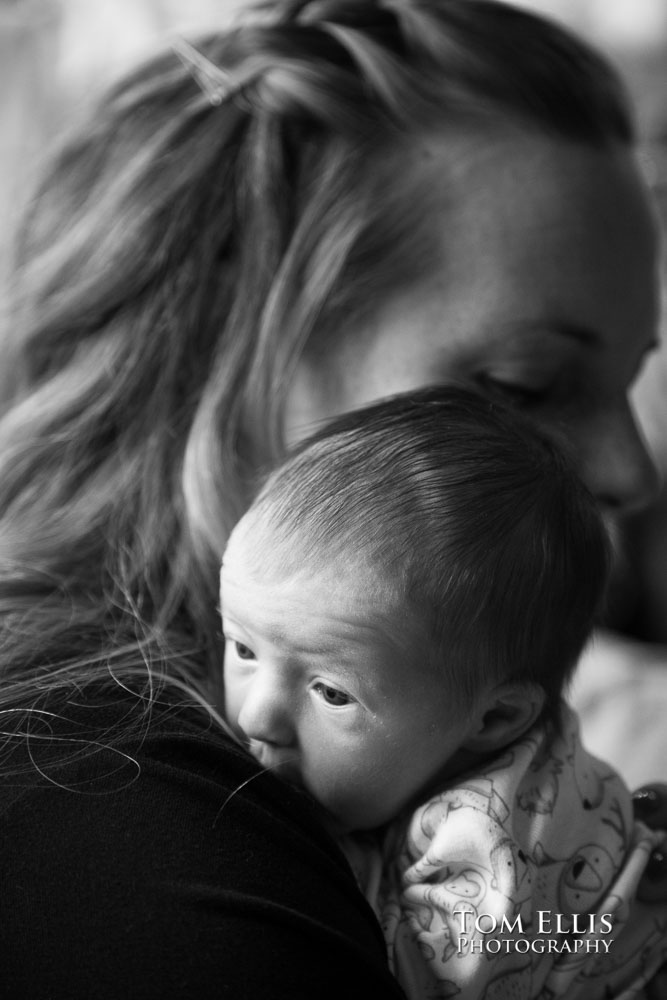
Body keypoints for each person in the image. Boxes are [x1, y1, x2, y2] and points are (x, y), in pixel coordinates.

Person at [0, 0, 666, 995]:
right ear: (226, 354)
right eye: (526, 384)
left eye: (632, 380)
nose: (630, 474)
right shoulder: (150, 839)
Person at [220, 385, 667, 1000]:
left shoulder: (489, 841)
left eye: (331, 692)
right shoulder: (431, 732)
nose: (255, 713)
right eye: (243, 649)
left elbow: (394, 977)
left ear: (495, 719)